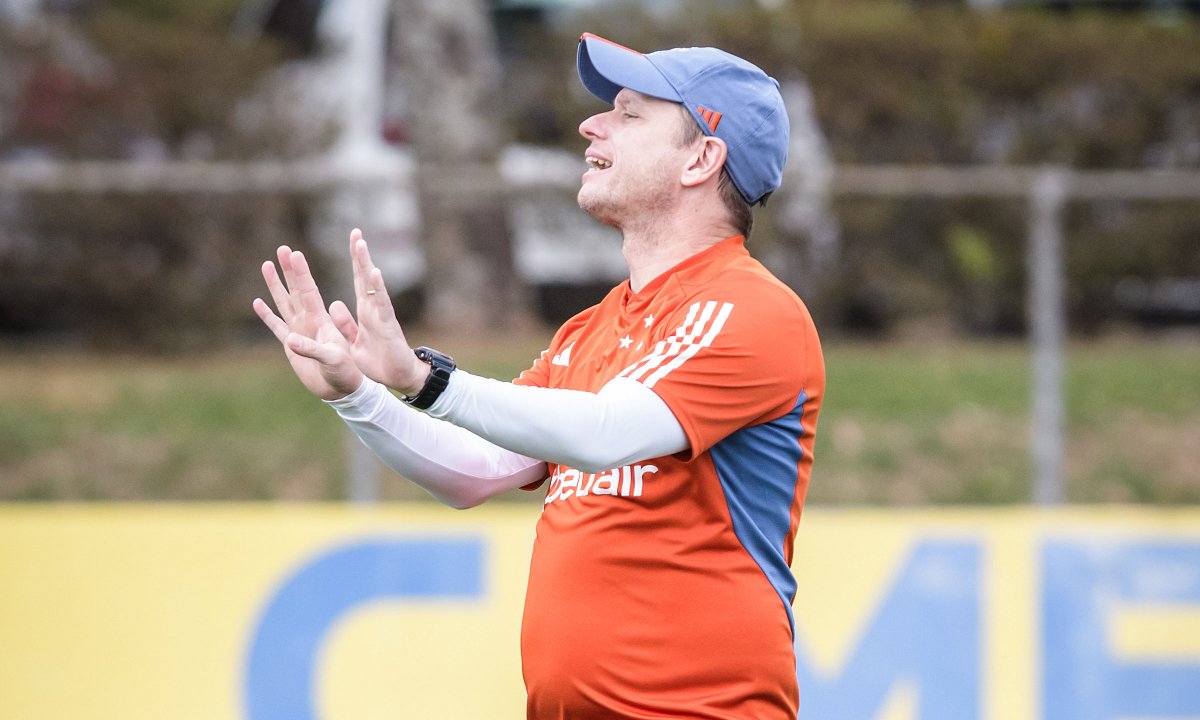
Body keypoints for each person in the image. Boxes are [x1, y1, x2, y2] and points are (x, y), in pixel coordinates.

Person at [254, 32, 824, 720]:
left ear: (702, 158)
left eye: (631, 114)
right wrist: (358, 395)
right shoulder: (588, 332)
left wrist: (425, 378)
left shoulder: (752, 310)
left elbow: (607, 431)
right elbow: (477, 467)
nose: (592, 124)